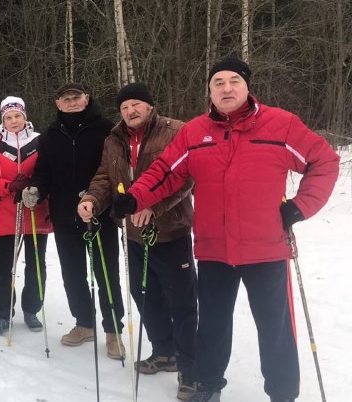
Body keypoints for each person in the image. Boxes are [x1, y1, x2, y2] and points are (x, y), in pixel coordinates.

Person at [112, 57, 340, 402]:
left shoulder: (281, 124)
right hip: (215, 248)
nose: (226, 88)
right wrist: (134, 198)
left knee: (274, 327)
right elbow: (166, 171)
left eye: (234, 80)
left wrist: (299, 206)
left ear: (247, 86)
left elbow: (324, 161)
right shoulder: (195, 132)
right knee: (213, 324)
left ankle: (281, 392)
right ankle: (207, 384)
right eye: (218, 82)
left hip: (266, 246)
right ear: (210, 91)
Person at [78, 82, 198, 400]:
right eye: (124, 107)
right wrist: (92, 199)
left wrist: (153, 206)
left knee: (182, 302)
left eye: (136, 104)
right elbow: (105, 177)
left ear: (149, 105)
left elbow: (186, 177)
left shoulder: (174, 131)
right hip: (132, 233)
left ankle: (190, 369)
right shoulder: (113, 140)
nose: (130, 111)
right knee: (144, 295)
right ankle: (164, 351)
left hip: (171, 232)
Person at [26, 82, 126, 358]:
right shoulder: (50, 135)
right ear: (58, 103)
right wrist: (35, 188)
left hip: (100, 213)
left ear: (86, 98)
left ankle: (113, 330)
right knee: (72, 273)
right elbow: (43, 172)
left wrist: (99, 197)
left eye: (76, 97)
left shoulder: (107, 130)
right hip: (64, 214)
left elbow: (114, 170)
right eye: (65, 99)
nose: (71, 102)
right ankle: (84, 323)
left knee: (106, 273)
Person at [0, 96, 52, 336]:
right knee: (2, 267)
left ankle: (31, 309)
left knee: (36, 265)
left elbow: (50, 172)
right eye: (8, 117)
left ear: (24, 116)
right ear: (2, 120)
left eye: (17, 116)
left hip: (35, 210)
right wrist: (9, 186)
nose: (13, 121)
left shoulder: (40, 140)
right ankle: (2, 313)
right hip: (5, 212)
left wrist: (35, 188)